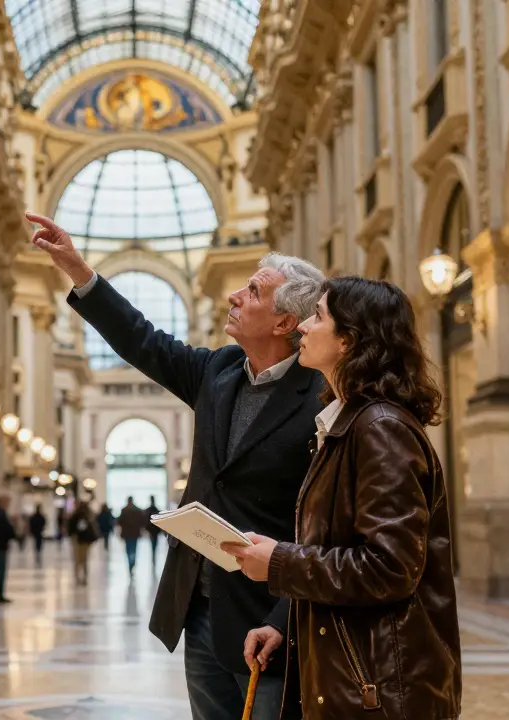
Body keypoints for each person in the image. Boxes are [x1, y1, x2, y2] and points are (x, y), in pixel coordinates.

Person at [29, 211, 327, 720]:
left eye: (252, 292)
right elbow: (142, 340)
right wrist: (80, 272)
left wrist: (285, 618)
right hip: (201, 607)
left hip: (270, 620)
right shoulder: (219, 371)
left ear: (284, 323)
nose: (235, 297)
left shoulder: (319, 396)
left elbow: (324, 522)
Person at [223, 277, 462, 720]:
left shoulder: (380, 428)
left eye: (318, 317)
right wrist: (285, 623)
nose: (304, 328)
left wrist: (279, 562)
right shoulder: (347, 424)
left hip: (383, 688)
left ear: (349, 340)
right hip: (357, 674)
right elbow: (338, 549)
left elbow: (389, 568)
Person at [68, 502, 100, 586]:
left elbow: (70, 529)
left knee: (77, 560)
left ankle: (77, 577)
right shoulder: (88, 516)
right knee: (85, 559)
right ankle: (85, 577)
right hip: (86, 541)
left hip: (77, 540)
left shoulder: (75, 516)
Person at [116, 496, 147, 576]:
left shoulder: (124, 510)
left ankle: (130, 563)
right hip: (135, 533)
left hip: (126, 534)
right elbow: (143, 522)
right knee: (134, 549)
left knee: (128, 549)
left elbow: (119, 522)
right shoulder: (138, 510)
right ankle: (132, 562)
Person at [144, 495, 163, 566]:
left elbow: (146, 521)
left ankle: (153, 554)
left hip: (152, 530)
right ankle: (153, 555)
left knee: (153, 543)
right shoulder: (156, 509)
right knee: (154, 543)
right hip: (155, 530)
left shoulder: (148, 510)